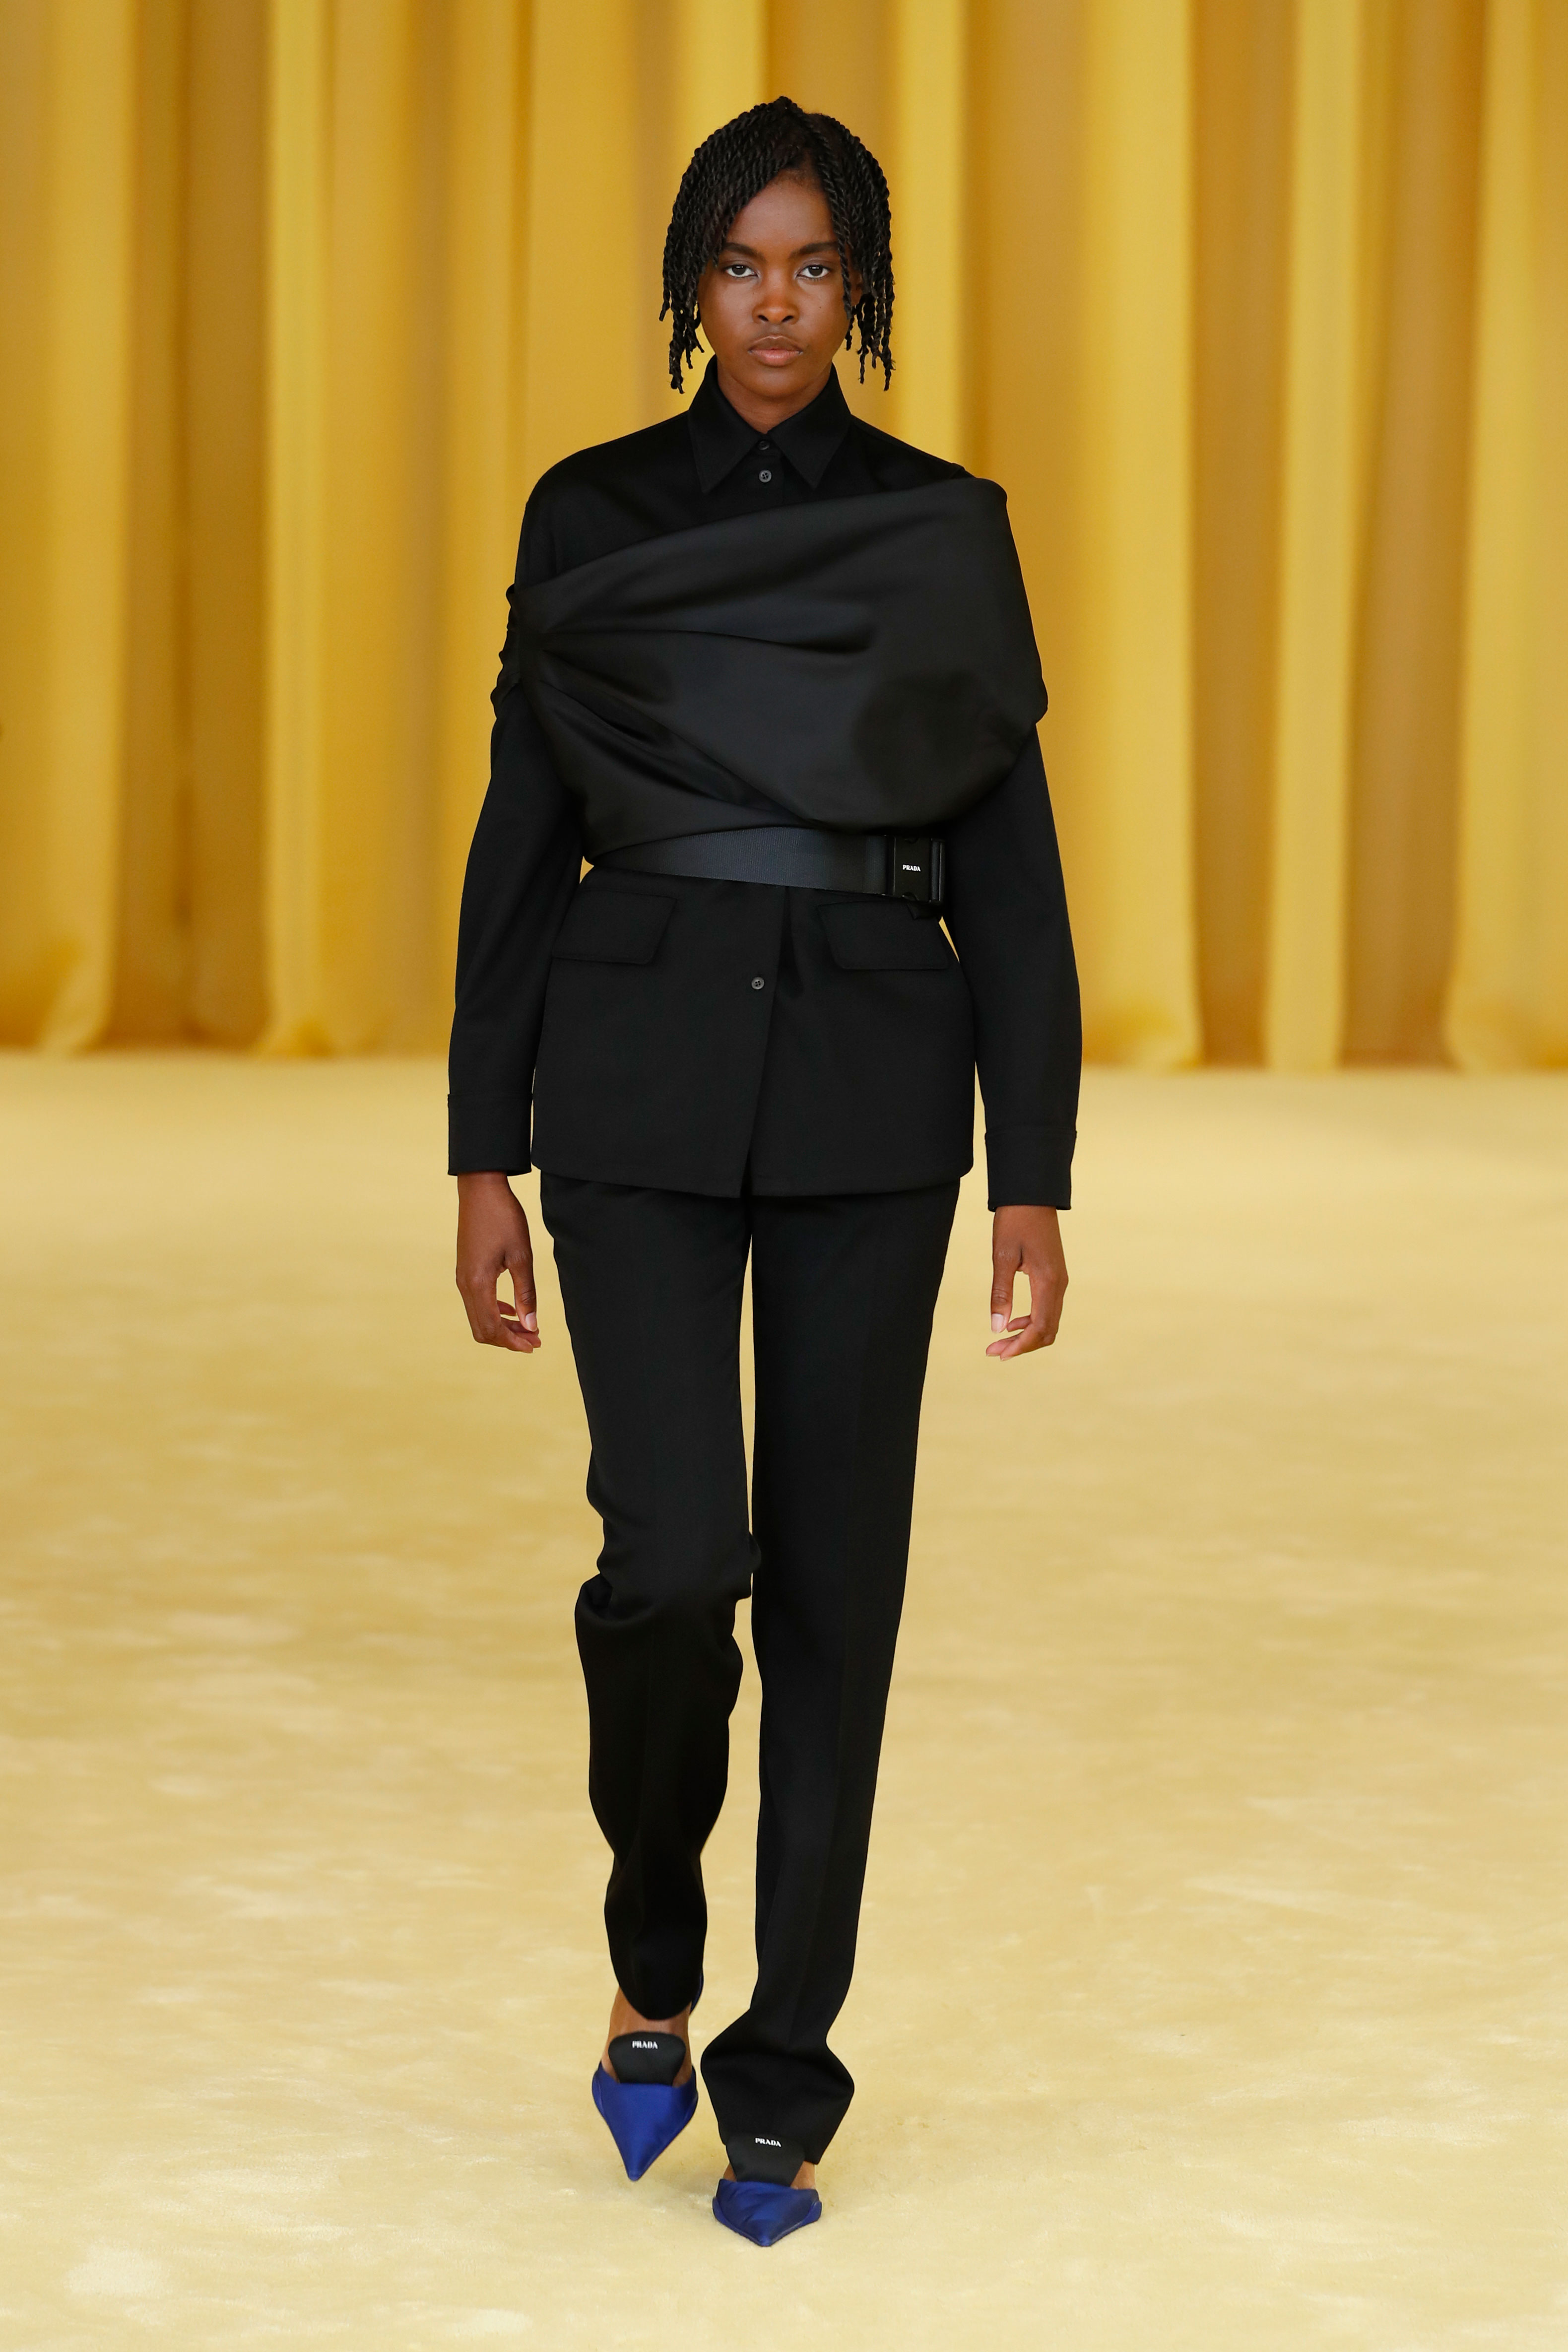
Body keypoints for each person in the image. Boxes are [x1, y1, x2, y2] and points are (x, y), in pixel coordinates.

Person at [449, 96, 1079, 2248]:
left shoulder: (938, 532)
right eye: (740, 266)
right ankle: (654, 1928)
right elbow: (522, 833)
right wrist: (480, 1148)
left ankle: (783, 2071)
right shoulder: (592, 510)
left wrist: (1033, 1165)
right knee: (673, 1560)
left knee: (835, 1590)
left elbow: (1008, 861)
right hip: (628, 1080)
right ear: (689, 285)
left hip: (870, 1096)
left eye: (814, 267)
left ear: (860, 287)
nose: (777, 306)